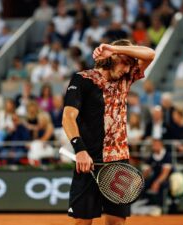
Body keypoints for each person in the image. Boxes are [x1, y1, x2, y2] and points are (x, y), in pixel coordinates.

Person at [62, 39, 155, 224]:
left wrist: (114, 48)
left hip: (118, 163)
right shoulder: (82, 79)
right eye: (126, 63)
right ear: (113, 58)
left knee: (116, 222)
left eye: (131, 65)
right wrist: (80, 149)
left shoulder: (126, 78)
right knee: (82, 222)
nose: (128, 70)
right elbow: (68, 117)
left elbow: (151, 54)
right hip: (88, 160)